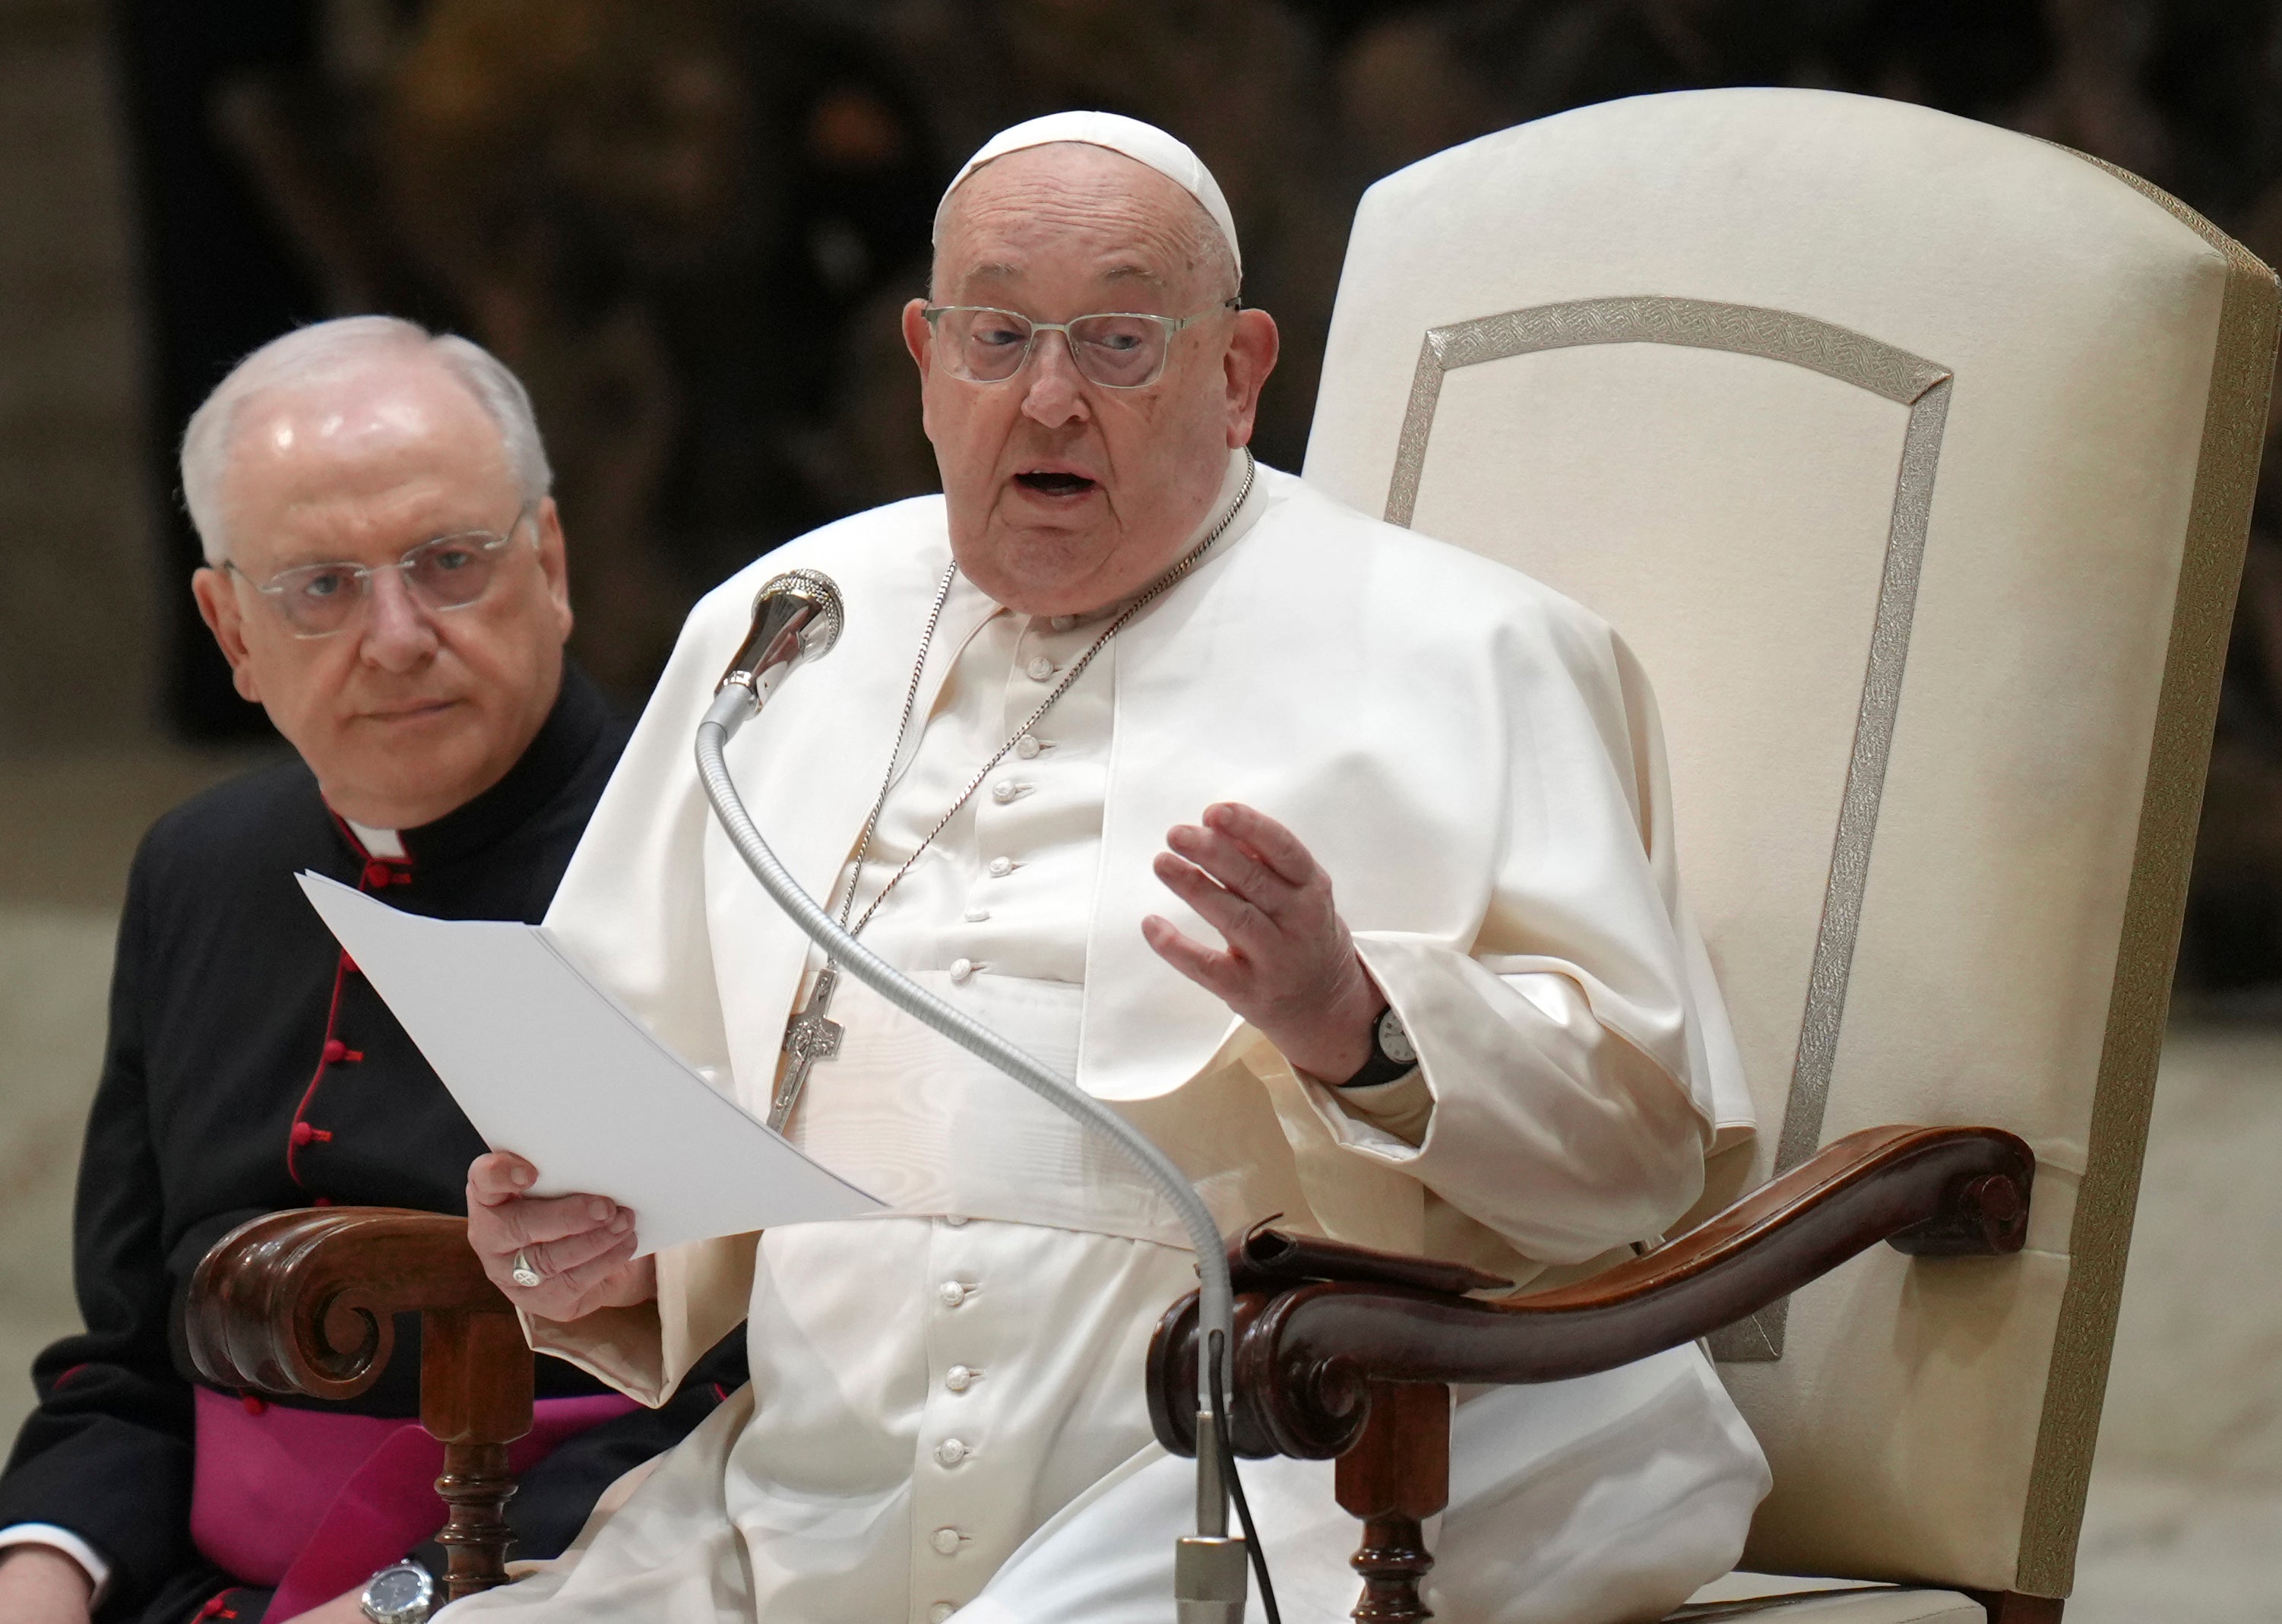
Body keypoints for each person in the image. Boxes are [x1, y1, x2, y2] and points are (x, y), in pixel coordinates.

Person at [453, 114, 1771, 1624]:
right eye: (997, 335)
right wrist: (583, 1247)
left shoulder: (1474, 651)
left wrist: (1357, 1020)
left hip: (1250, 1495)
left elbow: (1638, 1165)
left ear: (1237, 371)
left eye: (1122, 343)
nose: (1051, 397)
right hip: (796, 1522)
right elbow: (636, 1136)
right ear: (924, 362)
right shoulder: (783, 630)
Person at [0, 318, 743, 1624]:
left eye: (449, 563)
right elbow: (125, 1363)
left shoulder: (715, 849)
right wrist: (39, 1573)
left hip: (567, 1580)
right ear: (230, 627)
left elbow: (769, 1376)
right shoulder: (200, 866)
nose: (397, 636)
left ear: (551, 562)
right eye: (322, 588)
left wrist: (409, 1598)